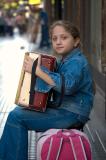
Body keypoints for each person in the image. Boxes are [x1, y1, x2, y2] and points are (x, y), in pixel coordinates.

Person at [0, 20, 94, 160]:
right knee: (18, 112)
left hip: (71, 114)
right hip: (67, 110)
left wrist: (37, 70)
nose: (58, 42)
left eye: (64, 37)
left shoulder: (77, 62)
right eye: (54, 38)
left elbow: (67, 87)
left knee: (17, 117)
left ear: (76, 41)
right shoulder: (67, 59)